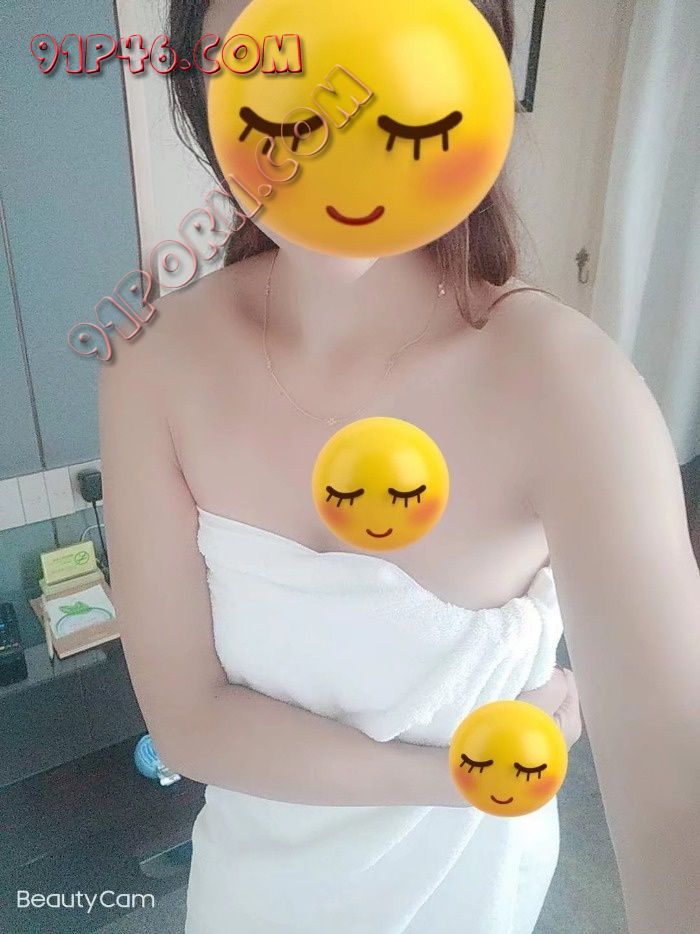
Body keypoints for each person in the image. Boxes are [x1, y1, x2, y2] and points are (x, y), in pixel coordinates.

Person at [99, 1, 700, 932]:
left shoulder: (566, 385)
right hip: (253, 899)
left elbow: (678, 799)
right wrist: (461, 778)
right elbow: (189, 721)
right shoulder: (153, 362)